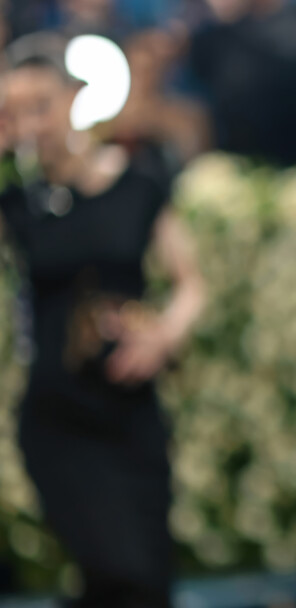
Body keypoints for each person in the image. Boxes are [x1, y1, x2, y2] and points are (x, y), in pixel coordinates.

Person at [0, 33, 204, 607]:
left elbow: (190, 284)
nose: (32, 123)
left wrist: (163, 334)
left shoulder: (136, 183)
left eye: (40, 104)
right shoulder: (17, 201)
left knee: (144, 583)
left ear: (73, 96)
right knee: (122, 571)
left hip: (132, 412)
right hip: (57, 417)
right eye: (15, 112)